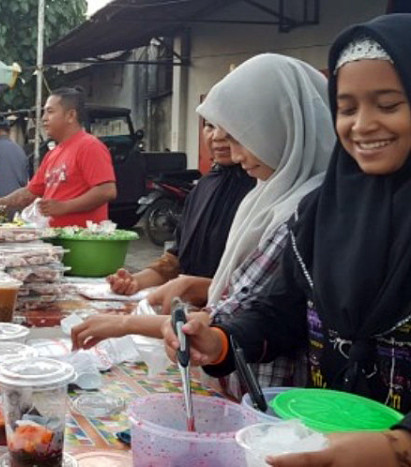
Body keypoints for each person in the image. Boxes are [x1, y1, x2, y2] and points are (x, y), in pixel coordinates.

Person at [160, 14, 411, 466]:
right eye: (347, 108)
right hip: (317, 439)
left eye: (389, 105)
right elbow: (284, 308)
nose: (362, 125)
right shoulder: (323, 211)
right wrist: (220, 340)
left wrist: (397, 447)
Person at [72, 55, 333, 397]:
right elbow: (193, 265)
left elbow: (238, 314)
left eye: (241, 135)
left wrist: (126, 323)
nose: (232, 150)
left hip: (263, 391)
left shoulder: (304, 210)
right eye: (212, 128)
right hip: (224, 372)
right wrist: (155, 283)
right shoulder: (257, 195)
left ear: (283, 124)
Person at [107, 121, 255, 295]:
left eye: (228, 125)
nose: (217, 136)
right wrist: (136, 281)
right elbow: (176, 259)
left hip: (232, 315)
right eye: (210, 126)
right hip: (190, 313)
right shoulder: (204, 186)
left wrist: (194, 287)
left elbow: (260, 287)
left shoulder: (261, 191)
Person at [0, 86, 117, 227]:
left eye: (50, 112)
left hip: (82, 241)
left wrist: (65, 206)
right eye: (44, 113)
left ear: (71, 116)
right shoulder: (52, 154)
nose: (44, 119)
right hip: (55, 239)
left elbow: (107, 191)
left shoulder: (89, 146)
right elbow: (28, 194)